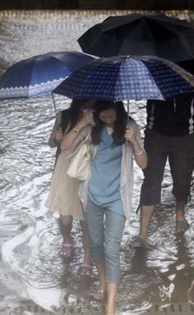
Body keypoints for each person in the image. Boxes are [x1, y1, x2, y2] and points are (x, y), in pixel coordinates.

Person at [60, 100, 147, 315]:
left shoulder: (130, 127)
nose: (108, 119)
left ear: (119, 110)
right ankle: (102, 282)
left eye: (112, 116)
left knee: (111, 248)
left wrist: (134, 141)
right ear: (98, 113)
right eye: (104, 116)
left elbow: (144, 164)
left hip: (117, 198)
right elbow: (64, 146)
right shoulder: (91, 128)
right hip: (92, 197)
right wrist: (82, 123)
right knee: (96, 245)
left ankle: (111, 305)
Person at [136, 58, 194, 247]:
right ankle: (143, 234)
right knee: (151, 180)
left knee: (183, 178)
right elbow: (137, 89)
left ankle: (180, 214)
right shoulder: (152, 64)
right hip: (156, 133)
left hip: (184, 134)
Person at [45, 99, 95, 276]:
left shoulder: (101, 115)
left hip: (88, 169)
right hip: (65, 169)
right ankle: (67, 238)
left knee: (86, 219)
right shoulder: (64, 115)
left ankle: (88, 258)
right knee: (66, 218)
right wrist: (55, 138)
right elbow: (53, 143)